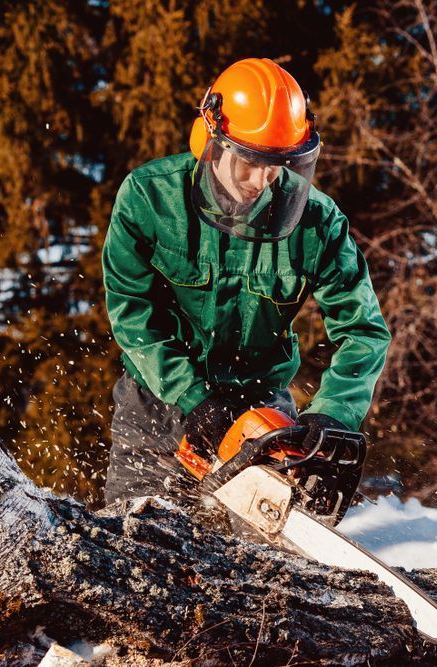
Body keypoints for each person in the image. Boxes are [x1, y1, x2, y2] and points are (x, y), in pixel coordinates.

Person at [101, 58, 390, 505]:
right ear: (212, 141)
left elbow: (363, 330)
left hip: (259, 401)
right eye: (251, 162)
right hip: (157, 403)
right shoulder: (149, 198)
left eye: (278, 164)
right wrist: (191, 395)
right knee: (136, 539)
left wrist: (334, 412)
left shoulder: (318, 223)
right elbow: (132, 311)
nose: (263, 180)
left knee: (261, 556)